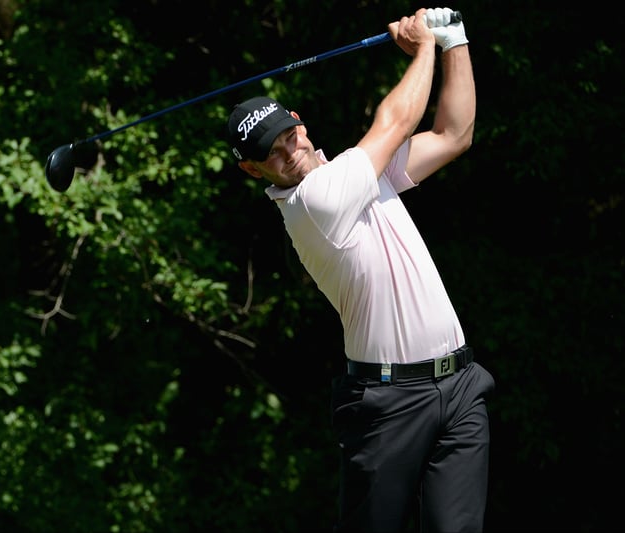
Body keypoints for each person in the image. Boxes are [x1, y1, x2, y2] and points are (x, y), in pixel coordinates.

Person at [224, 7, 494, 532]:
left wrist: (454, 40)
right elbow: (395, 121)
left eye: (287, 133)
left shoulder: (363, 173)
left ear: (299, 121)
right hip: (388, 406)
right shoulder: (312, 203)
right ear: (252, 169)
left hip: (460, 387)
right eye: (270, 152)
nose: (288, 149)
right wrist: (423, 48)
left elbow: (455, 134)